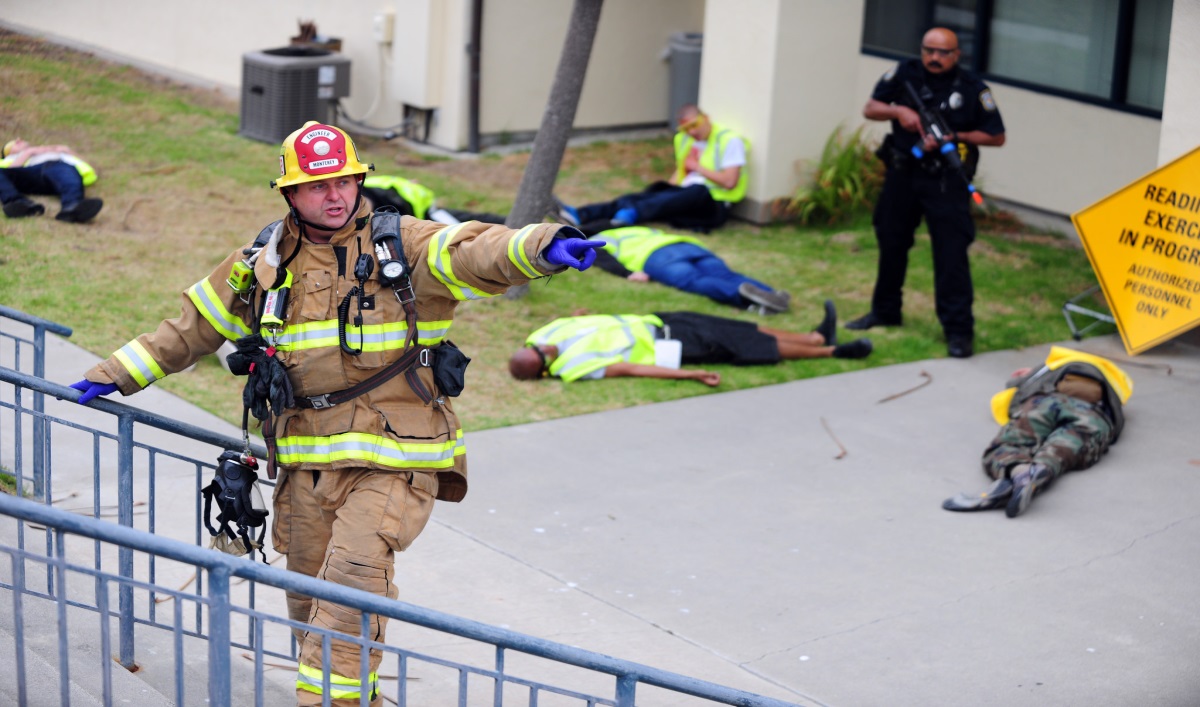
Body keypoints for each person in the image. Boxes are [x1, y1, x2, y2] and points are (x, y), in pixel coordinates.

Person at [66, 121, 605, 706]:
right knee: (306, 601)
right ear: (290, 194)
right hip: (304, 465)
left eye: (345, 180)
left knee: (349, 587)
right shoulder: (264, 262)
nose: (336, 194)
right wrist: (112, 375)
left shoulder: (405, 245)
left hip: (393, 458)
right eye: (318, 185)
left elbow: (477, 251)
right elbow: (191, 331)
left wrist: (543, 247)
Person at [845, 27, 1006, 359]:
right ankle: (885, 310)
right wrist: (900, 112)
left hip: (946, 182)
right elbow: (871, 108)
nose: (934, 58)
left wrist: (955, 136)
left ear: (956, 54)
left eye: (943, 52)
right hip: (903, 174)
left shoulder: (974, 89)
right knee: (891, 241)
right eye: (928, 50)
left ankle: (959, 331)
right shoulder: (905, 74)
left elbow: (997, 136)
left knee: (951, 255)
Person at [942, 347, 1132, 518]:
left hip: (1046, 401)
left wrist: (1022, 377)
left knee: (1010, 444)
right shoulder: (1117, 379)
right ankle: (1039, 470)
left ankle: (1016, 471)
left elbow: (1014, 389)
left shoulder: (1048, 368)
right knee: (1062, 450)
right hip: (1093, 413)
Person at [508, 306, 872, 386]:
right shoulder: (574, 369)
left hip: (658, 319)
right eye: (543, 355)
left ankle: (815, 337)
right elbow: (635, 368)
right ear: (543, 369)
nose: (546, 347)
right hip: (672, 344)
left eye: (539, 346)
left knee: (740, 326)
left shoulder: (544, 333)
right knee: (747, 345)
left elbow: (578, 319)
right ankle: (833, 352)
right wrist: (692, 374)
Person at [556, 104, 748, 233]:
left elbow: (730, 182)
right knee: (649, 193)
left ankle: (631, 213)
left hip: (713, 206)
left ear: (706, 118)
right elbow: (680, 173)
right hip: (687, 196)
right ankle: (582, 215)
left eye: (695, 125)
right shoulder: (685, 140)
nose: (692, 132)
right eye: (686, 129)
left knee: (697, 191)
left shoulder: (728, 140)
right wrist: (665, 190)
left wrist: (697, 167)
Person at [590, 225, 792, 314]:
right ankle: (771, 294)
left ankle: (743, 297)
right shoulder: (632, 228)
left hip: (656, 257)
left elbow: (601, 256)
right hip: (686, 245)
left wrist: (628, 273)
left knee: (694, 281)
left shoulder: (600, 238)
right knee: (726, 274)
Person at [0, 137, 103, 222]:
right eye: (12, 145)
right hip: (30, 173)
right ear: (8, 154)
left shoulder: (58, 152)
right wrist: (28, 153)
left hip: (57, 169)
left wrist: (68, 151)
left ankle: (72, 207)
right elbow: (9, 172)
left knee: (67, 173)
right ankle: (19, 204)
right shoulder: (10, 159)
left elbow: (89, 168)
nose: (18, 140)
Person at [361, 173, 506, 226]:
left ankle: (508, 224)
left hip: (423, 210)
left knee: (464, 227)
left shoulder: (364, 195)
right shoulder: (364, 188)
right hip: (418, 208)